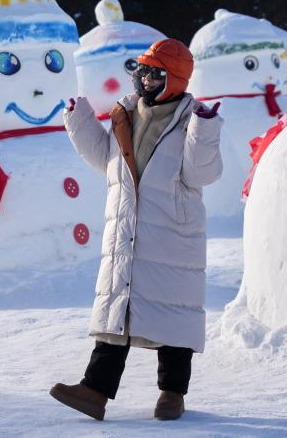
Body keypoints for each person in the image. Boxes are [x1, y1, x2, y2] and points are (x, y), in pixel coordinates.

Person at [50, 38, 223, 421]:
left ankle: (171, 395)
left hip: (172, 234)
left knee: (173, 315)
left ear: (175, 79)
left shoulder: (190, 118)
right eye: (141, 72)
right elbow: (105, 159)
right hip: (127, 228)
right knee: (118, 313)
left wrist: (206, 129)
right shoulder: (125, 114)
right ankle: (94, 391)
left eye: (155, 74)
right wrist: (78, 118)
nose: (145, 80)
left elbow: (202, 173)